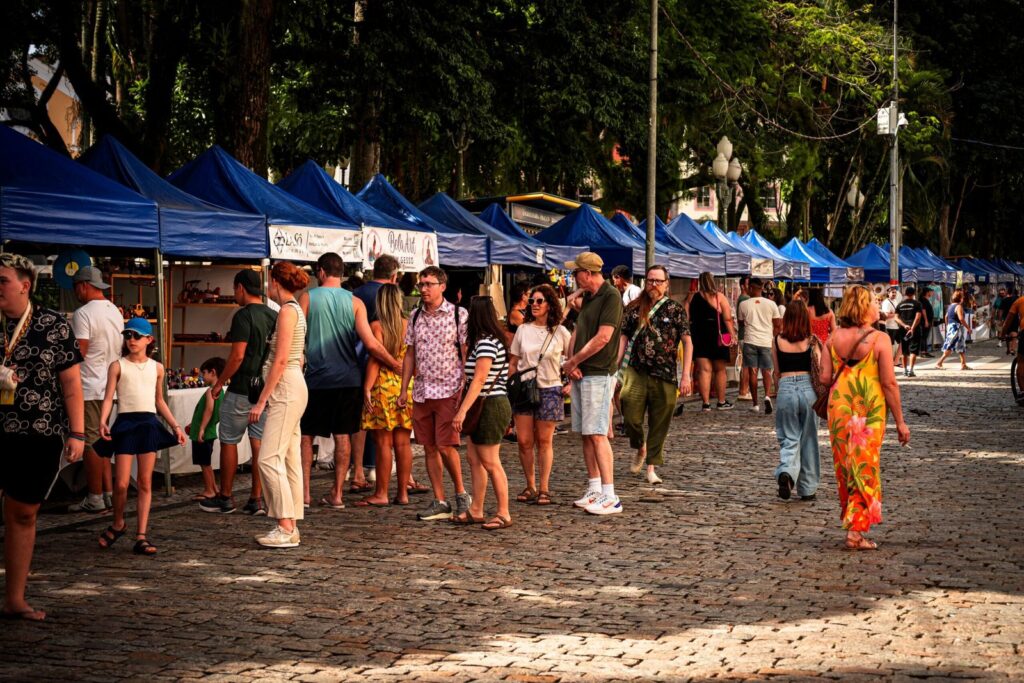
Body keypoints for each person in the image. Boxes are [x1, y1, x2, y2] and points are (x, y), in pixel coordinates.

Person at [0, 253, 85, 621]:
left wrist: (78, 432)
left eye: (2, 280)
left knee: (23, 514)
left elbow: (71, 384)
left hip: (38, 432)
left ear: (25, 285)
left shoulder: (53, 325)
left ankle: (15, 599)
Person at [299, 253, 403, 511]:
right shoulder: (355, 302)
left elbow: (297, 338)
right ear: (342, 273)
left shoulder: (308, 298)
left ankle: (305, 494)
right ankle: (336, 494)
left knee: (307, 436)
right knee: (343, 435)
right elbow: (371, 344)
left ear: (320, 272)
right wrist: (394, 363)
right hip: (348, 378)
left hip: (316, 378)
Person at [819, 286, 910, 550]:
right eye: (873, 301)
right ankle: (855, 532)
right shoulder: (879, 339)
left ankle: (852, 522)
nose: (877, 305)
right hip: (868, 409)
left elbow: (824, 378)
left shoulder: (833, 337)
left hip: (839, 408)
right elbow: (889, 383)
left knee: (845, 466)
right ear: (863, 307)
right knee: (865, 465)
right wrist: (900, 421)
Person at [95, 318, 186, 556]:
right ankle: (118, 523)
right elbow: (108, 397)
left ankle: (141, 536)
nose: (132, 340)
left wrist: (175, 426)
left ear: (149, 339)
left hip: (148, 424)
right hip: (125, 423)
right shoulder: (117, 366)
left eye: (137, 335)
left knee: (145, 481)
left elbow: (159, 400)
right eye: (128, 335)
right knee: (121, 483)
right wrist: (103, 420)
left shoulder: (157, 368)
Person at [398, 266, 472, 522]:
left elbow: (466, 350)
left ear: (442, 286)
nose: (424, 289)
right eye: (421, 284)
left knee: (446, 445)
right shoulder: (415, 315)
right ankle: (440, 500)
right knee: (429, 446)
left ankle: (461, 493)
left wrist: (465, 385)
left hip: (449, 388)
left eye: (429, 284)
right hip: (422, 390)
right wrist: (404, 388)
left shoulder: (458, 314)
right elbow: (410, 353)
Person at [244, 261, 310, 548]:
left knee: (269, 458)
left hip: (286, 387)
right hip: (292, 385)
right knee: (289, 458)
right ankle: (290, 524)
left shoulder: (287, 311)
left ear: (275, 282)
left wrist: (261, 401)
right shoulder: (294, 310)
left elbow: (281, 360)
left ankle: (285, 524)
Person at [201, 270, 276, 515]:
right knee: (259, 444)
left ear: (241, 288)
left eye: (235, 289)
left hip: (242, 388)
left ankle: (226, 497)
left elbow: (237, 356)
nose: (235, 294)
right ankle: (256, 499)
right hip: (265, 390)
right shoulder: (274, 315)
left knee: (229, 441)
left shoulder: (243, 316)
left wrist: (219, 383)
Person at [560, 252, 624, 515]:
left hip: (599, 372)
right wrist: (576, 295)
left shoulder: (611, 296)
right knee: (587, 433)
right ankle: (595, 487)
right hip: (583, 372)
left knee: (598, 433)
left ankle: (610, 495)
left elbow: (603, 338)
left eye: (576, 273)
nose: (573, 277)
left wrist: (573, 361)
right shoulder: (589, 296)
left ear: (587, 273)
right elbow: (579, 327)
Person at [617, 265, 692, 485]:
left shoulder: (676, 309)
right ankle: (640, 446)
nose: (654, 285)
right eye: (650, 280)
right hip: (636, 370)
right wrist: (616, 365)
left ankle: (651, 466)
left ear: (666, 284)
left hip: (665, 373)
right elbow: (623, 338)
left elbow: (687, 342)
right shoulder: (634, 307)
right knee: (630, 416)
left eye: (659, 281)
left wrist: (686, 375)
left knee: (660, 422)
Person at [452, 296, 514, 529]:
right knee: (474, 459)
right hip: (484, 403)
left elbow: (479, 380)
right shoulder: (484, 341)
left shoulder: (487, 343)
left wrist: (462, 411)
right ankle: (476, 509)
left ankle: (504, 512)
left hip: (490, 404)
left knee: (490, 461)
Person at [509, 284, 571, 506]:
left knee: (544, 441)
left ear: (550, 304)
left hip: (550, 388)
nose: (534, 305)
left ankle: (544, 487)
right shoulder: (523, 330)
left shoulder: (560, 332)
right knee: (524, 441)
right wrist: (509, 385)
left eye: (539, 301)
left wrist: (570, 382)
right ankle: (530, 485)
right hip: (524, 389)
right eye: (532, 301)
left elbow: (572, 359)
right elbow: (514, 362)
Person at [69, 266, 123, 514]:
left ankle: (95, 497)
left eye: (75, 287)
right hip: (110, 385)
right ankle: (108, 493)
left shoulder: (83, 313)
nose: (75, 292)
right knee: (103, 439)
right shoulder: (114, 310)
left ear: (83, 285)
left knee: (91, 442)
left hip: (90, 384)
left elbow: (80, 351)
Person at [359, 283, 417, 506]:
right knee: (403, 443)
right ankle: (402, 493)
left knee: (383, 443)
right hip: (406, 386)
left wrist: (366, 388)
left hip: (383, 387)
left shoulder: (377, 326)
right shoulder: (409, 325)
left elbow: (375, 359)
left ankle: (381, 493)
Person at [771, 301, 821, 501]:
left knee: (789, 437)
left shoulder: (777, 341)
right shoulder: (812, 341)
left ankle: (787, 472)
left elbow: (776, 372)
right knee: (809, 438)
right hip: (808, 390)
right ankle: (807, 488)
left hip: (785, 387)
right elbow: (820, 369)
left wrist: (780, 391)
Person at [687, 272, 736, 412]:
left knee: (704, 371)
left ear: (700, 282)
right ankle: (721, 401)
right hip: (717, 336)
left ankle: (706, 403)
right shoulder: (719, 297)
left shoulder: (693, 298)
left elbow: (688, 317)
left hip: (699, 336)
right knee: (720, 370)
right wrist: (732, 335)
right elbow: (727, 319)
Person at [185, 357, 226, 502]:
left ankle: (209, 490)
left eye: (204, 373)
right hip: (209, 431)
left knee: (204, 463)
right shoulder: (220, 391)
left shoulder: (211, 391)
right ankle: (213, 488)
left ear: (212, 372)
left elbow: (209, 410)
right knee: (206, 462)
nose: (202, 376)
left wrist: (201, 428)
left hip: (204, 433)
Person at [738, 278, 780, 415]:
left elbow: (740, 323)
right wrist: (771, 336)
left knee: (753, 372)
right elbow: (778, 325)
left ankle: (755, 404)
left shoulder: (743, 304)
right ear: (761, 289)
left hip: (750, 341)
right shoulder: (771, 304)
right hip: (766, 341)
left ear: (751, 288)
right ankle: (767, 395)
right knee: (767, 371)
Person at [936, 290, 970, 370]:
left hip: (952, 327)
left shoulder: (950, 306)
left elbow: (946, 317)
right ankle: (939, 363)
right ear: (960, 298)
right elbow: (961, 318)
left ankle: (963, 364)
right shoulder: (958, 306)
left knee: (961, 346)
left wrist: (948, 326)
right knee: (950, 346)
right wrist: (968, 327)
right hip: (956, 327)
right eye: (962, 297)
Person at [895, 286, 924, 377]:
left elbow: (896, 318)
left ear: (905, 294)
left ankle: (904, 370)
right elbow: (918, 317)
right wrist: (912, 328)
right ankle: (911, 370)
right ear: (914, 294)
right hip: (914, 330)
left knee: (904, 350)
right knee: (913, 350)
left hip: (903, 330)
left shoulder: (900, 304)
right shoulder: (917, 304)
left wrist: (904, 325)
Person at [735, 276, 752, 401]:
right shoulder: (745, 299)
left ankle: (744, 389)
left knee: (746, 364)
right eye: (748, 284)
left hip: (744, 335)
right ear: (742, 286)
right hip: (745, 335)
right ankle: (744, 390)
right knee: (747, 364)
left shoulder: (744, 299)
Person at [880, 286, 902, 366]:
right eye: (892, 292)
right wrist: (895, 314)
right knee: (890, 345)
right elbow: (885, 315)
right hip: (890, 326)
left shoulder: (895, 301)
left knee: (901, 343)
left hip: (896, 326)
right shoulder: (886, 302)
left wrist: (895, 314)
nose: (894, 294)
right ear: (888, 293)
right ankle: (890, 361)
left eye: (895, 292)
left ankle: (896, 361)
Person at [920, 288, 936, 357]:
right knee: (923, 336)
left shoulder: (926, 300)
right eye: (931, 292)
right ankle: (923, 352)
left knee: (925, 336)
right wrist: (926, 320)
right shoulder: (923, 300)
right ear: (927, 292)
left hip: (928, 321)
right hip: (924, 321)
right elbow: (923, 310)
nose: (932, 293)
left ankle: (925, 351)